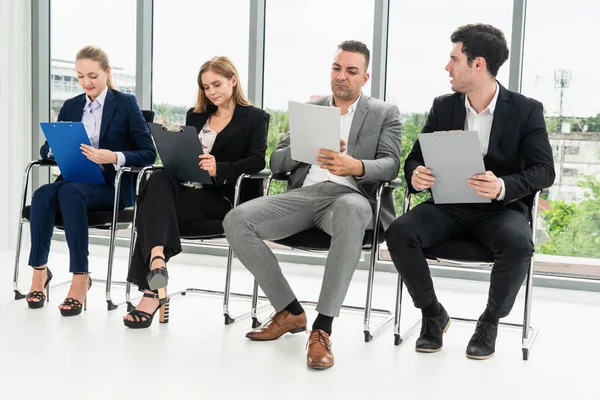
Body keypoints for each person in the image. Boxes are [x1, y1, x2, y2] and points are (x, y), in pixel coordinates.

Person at [223, 40, 402, 370]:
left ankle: (322, 329)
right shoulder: (312, 109)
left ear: (365, 77)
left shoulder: (383, 113)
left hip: (351, 198)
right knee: (236, 220)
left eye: (351, 71)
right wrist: (307, 147)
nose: (341, 76)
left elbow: (391, 164)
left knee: (349, 209)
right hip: (305, 196)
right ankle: (290, 310)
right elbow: (277, 163)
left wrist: (356, 166)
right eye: (336, 68)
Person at [384, 24, 555, 360]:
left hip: (500, 210)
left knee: (520, 244)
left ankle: (490, 321)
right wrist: (415, 174)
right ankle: (433, 314)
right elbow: (416, 157)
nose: (447, 67)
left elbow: (544, 170)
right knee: (399, 232)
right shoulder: (443, 106)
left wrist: (504, 185)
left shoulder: (526, 110)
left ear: (478, 64)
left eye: (454, 59)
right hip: (447, 206)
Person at [123, 56, 269, 329]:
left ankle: (152, 290)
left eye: (217, 84)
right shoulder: (197, 115)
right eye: (206, 87)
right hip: (187, 191)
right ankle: (157, 260)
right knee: (157, 177)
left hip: (222, 198)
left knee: (151, 209)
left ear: (233, 81)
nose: (211, 92)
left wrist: (219, 168)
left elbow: (258, 160)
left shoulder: (255, 118)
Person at [26, 45, 156, 316]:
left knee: (69, 193)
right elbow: (45, 150)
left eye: (93, 76)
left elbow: (148, 154)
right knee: (41, 194)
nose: (87, 82)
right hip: (75, 180)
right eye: (80, 76)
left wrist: (113, 156)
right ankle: (40, 272)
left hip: (112, 187)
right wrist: (55, 147)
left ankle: (80, 278)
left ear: (107, 73)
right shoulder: (72, 105)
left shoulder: (125, 103)